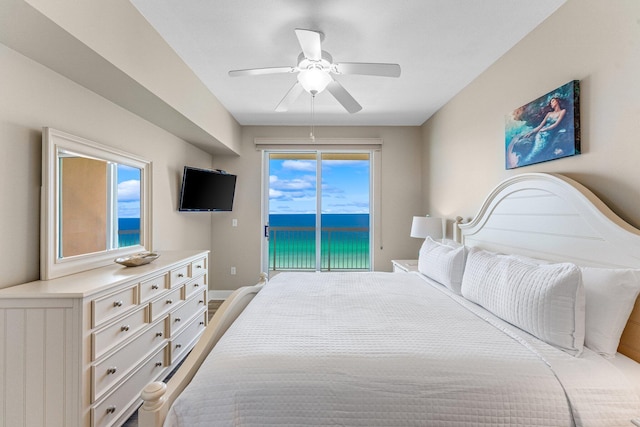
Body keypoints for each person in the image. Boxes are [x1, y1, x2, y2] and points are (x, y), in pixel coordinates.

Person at [521, 96, 567, 164]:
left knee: (538, 151)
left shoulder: (563, 111)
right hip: (541, 133)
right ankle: (526, 161)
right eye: (551, 102)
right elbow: (541, 125)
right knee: (535, 149)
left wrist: (546, 129)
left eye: (553, 101)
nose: (551, 103)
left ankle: (527, 161)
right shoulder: (549, 114)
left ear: (557, 101)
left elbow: (556, 124)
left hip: (549, 133)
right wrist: (531, 132)